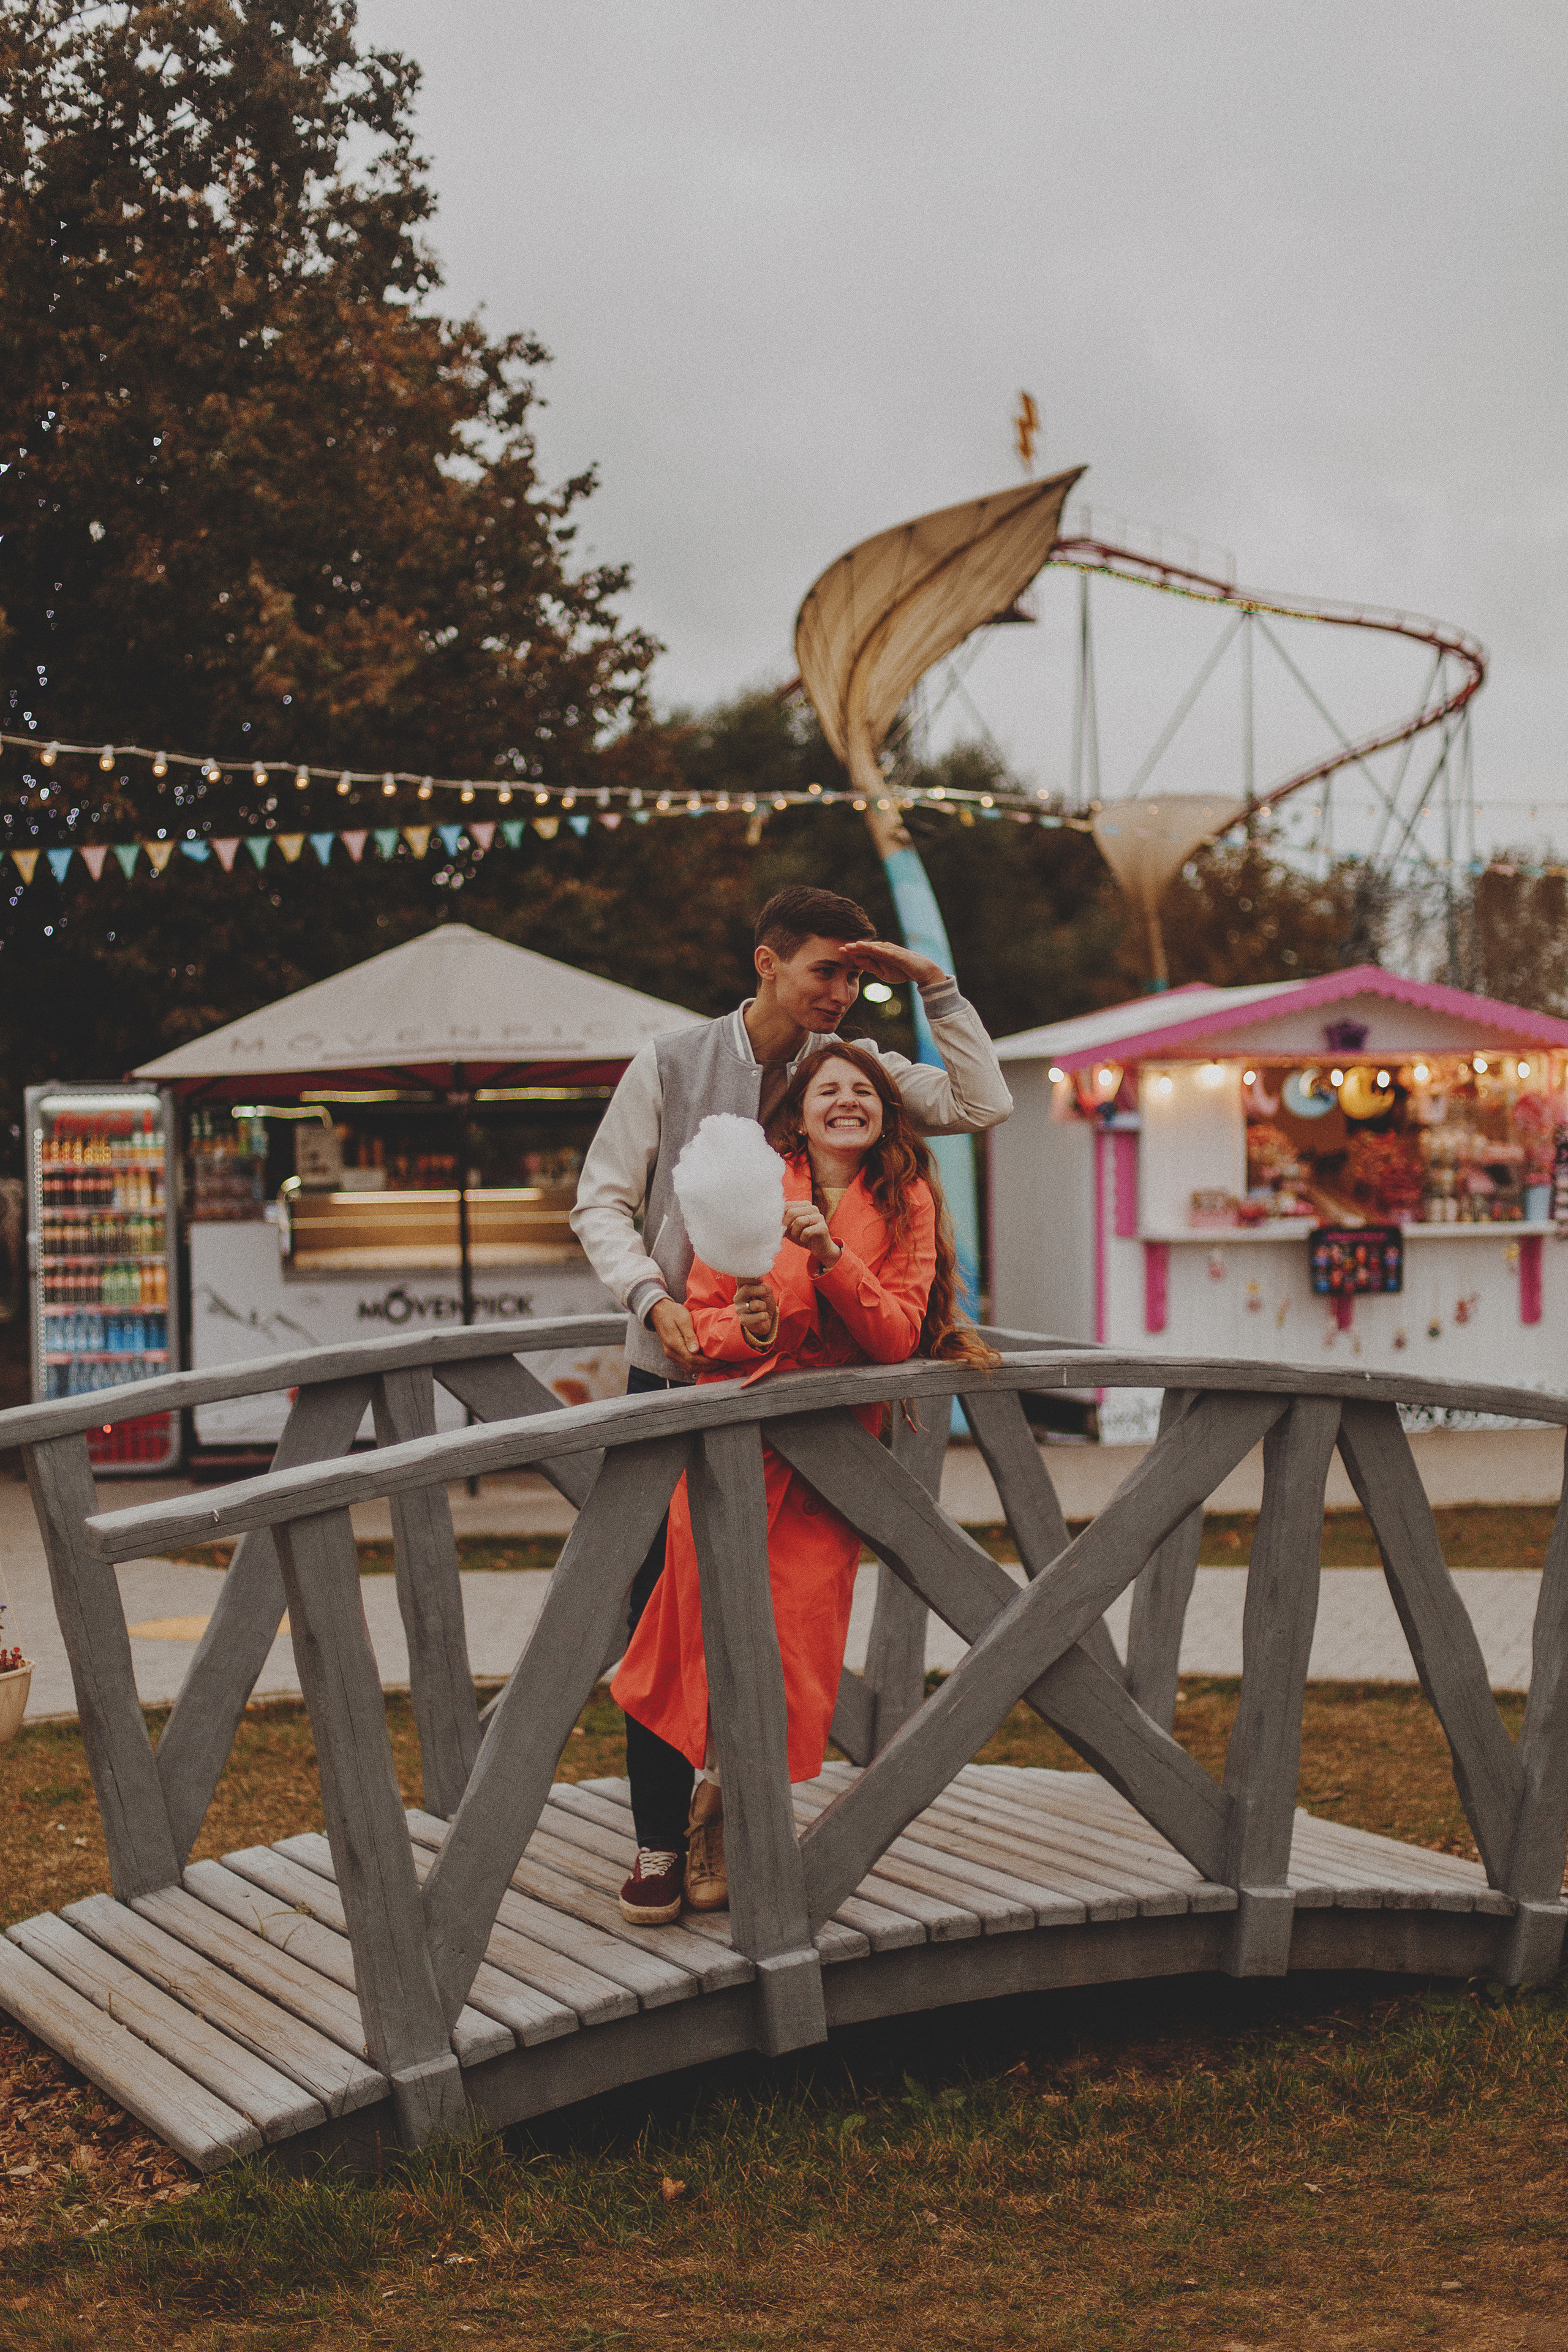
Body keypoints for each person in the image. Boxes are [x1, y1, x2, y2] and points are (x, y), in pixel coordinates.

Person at [569, 883, 1013, 1912]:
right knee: (661, 1609)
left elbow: (981, 1106)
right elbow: (600, 1197)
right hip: (679, 1368)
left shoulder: (848, 1070)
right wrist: (648, 1294)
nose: (845, 992)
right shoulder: (671, 1062)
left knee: (779, 1616)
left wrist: (934, 988)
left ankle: (733, 1821)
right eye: (828, 970)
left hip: (806, 1406)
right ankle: (656, 1844)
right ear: (766, 963)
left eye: (859, 975)